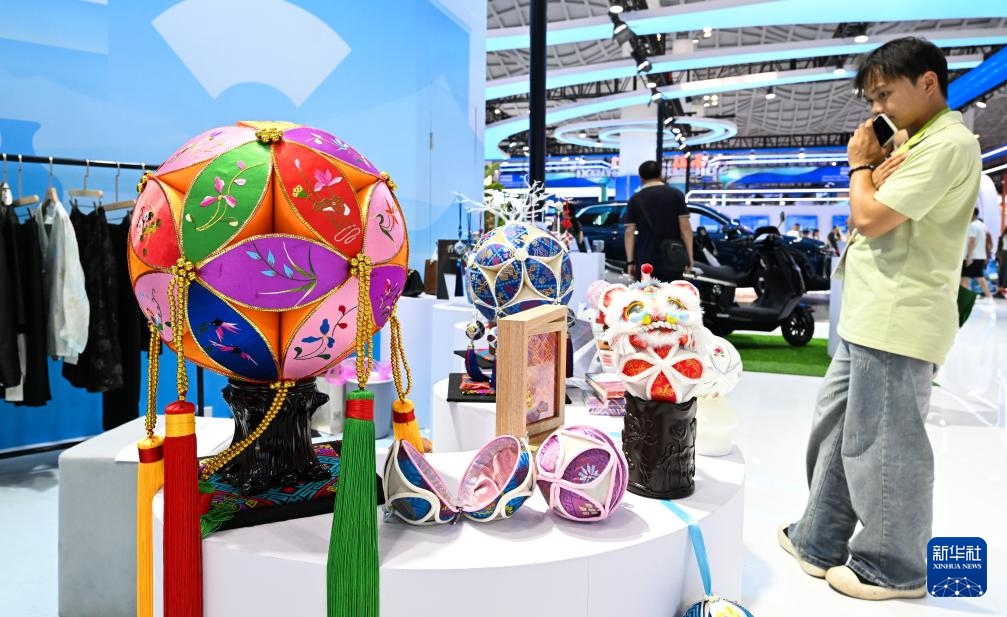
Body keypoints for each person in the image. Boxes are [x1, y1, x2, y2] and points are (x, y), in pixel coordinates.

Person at [779, 37, 981, 601]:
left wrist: (861, 166)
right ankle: (819, 539)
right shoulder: (916, 141)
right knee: (839, 432)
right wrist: (870, 172)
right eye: (871, 99)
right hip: (872, 311)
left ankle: (897, 566)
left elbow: (868, 217)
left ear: (928, 83)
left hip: (900, 314)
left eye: (885, 94)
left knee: (887, 445)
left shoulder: (949, 144)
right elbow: (869, 207)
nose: (877, 110)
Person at [622, 160, 692, 282]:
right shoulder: (676, 194)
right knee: (672, 292)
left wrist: (630, 262)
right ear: (660, 175)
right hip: (672, 258)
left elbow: (629, 231)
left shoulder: (635, 199)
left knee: (647, 293)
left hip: (645, 258)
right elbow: (685, 227)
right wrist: (689, 255)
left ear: (641, 178)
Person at [961, 209, 994, 301]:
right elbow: (987, 240)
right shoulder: (982, 225)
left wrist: (969, 256)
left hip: (972, 256)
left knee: (965, 278)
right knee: (979, 277)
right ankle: (989, 297)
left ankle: (963, 299)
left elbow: (972, 241)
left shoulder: (972, 225)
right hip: (980, 256)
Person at [997, 231, 1007, 298]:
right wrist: (998, 254)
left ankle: (1002, 291)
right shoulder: (1003, 236)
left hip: (1003, 254)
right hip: (1003, 254)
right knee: (1002, 273)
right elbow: (999, 247)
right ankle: (1000, 291)